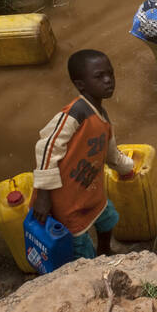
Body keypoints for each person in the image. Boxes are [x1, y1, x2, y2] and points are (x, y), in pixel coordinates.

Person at [31, 49, 135, 259]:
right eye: (99, 77)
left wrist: (127, 168)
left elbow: (110, 152)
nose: (108, 81)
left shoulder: (102, 116)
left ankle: (105, 250)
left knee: (108, 219)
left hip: (90, 190)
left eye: (110, 74)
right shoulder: (75, 113)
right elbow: (47, 147)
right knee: (80, 245)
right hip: (66, 197)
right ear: (81, 85)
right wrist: (43, 194)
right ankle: (92, 269)